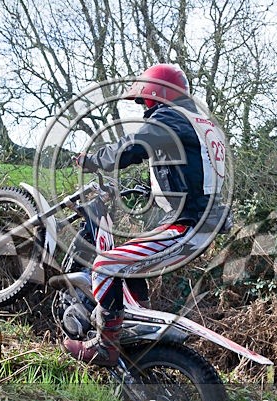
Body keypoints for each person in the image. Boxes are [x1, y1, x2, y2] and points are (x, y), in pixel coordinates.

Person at [63, 63, 229, 367]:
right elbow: (190, 168)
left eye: (144, 101)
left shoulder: (171, 117)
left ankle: (105, 345)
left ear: (157, 95)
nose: (143, 108)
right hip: (204, 219)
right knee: (132, 262)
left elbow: (131, 148)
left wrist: (93, 160)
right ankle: (137, 329)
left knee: (105, 264)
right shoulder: (198, 122)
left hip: (189, 225)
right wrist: (148, 188)